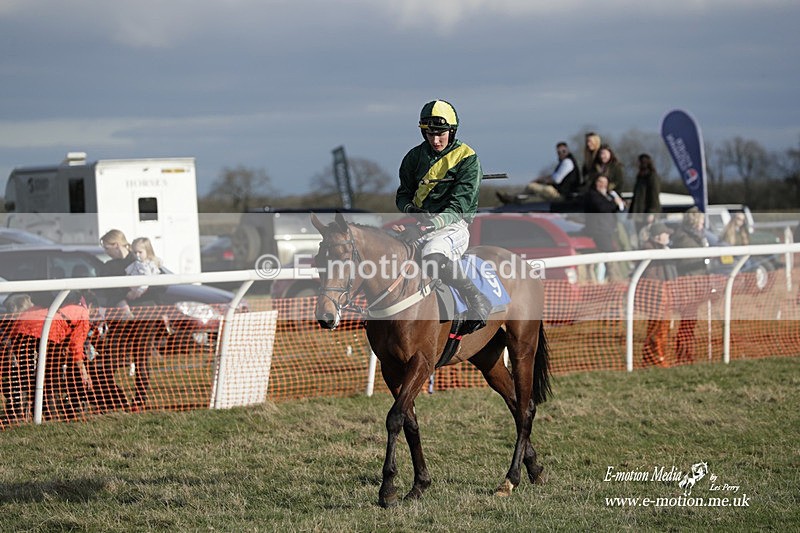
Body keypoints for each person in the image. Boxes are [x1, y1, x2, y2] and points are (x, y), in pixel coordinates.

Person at [396, 99, 491, 334]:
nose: (435, 140)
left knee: (432, 255)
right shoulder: (413, 157)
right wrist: (412, 211)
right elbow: (403, 195)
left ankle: (477, 299)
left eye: (441, 134)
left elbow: (459, 206)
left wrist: (428, 225)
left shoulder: (467, 158)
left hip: (453, 226)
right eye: (429, 135)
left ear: (452, 131)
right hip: (420, 224)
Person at [3, 292, 93, 423]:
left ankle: (18, 416)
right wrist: (84, 372)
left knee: (24, 375)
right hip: (49, 332)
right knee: (52, 377)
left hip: (20, 328)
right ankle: (52, 415)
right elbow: (76, 347)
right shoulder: (83, 313)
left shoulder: (57, 304)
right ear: (89, 304)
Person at [669, 207, 710, 364]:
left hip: (694, 284)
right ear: (694, 221)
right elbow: (689, 262)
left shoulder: (695, 237)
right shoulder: (685, 239)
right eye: (701, 221)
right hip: (688, 285)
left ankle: (686, 353)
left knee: (689, 322)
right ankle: (683, 354)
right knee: (687, 323)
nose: (702, 225)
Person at [640, 222, 677, 367]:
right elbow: (652, 278)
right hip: (658, 297)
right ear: (657, 237)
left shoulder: (663, 250)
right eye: (665, 233)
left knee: (662, 328)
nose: (668, 235)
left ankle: (651, 357)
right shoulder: (650, 251)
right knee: (658, 329)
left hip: (664, 296)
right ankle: (656, 358)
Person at [496, 142, 581, 203]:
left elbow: (556, 179)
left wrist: (540, 180)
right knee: (532, 189)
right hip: (563, 193)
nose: (561, 154)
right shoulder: (566, 162)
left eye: (563, 151)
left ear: (568, 151)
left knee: (531, 186)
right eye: (559, 152)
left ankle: (513, 199)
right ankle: (515, 198)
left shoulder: (567, 162)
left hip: (562, 195)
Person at [584, 175, 626, 282]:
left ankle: (616, 278)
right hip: (599, 231)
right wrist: (614, 203)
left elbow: (616, 208)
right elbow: (602, 208)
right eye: (600, 182)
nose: (602, 185)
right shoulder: (592, 195)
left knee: (615, 254)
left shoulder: (608, 196)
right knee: (609, 255)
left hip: (609, 230)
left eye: (605, 182)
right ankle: (614, 279)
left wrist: (618, 204)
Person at [629, 153, 662, 239]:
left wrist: (652, 212)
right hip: (639, 214)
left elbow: (654, 195)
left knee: (649, 237)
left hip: (647, 213)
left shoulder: (652, 176)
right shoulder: (640, 177)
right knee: (640, 237)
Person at [125, 237, 162, 302]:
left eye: (140, 252)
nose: (137, 255)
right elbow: (127, 272)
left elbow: (147, 280)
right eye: (135, 252)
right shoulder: (135, 263)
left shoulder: (148, 265)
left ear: (148, 251)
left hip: (144, 296)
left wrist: (139, 291)